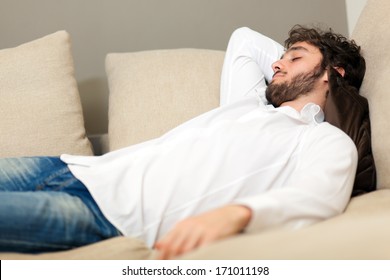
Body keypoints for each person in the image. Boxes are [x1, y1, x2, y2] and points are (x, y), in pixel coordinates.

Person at [0, 25, 365, 260]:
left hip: (105, 215)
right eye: (279, 58)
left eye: (294, 56)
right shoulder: (249, 103)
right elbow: (244, 38)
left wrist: (236, 214)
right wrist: (299, 63)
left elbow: (320, 194)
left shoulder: (321, 139)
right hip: (70, 167)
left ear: (335, 72)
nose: (276, 65)